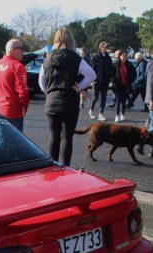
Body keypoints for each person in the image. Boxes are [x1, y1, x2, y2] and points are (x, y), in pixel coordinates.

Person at [39, 28, 96, 166]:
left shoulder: (47, 58)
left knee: (53, 136)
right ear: (71, 41)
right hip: (69, 101)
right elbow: (91, 75)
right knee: (66, 137)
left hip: (51, 102)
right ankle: (65, 168)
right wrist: (80, 86)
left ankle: (51, 167)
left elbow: (41, 81)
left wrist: (50, 93)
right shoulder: (76, 58)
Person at [0, 39, 29, 131]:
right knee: (16, 143)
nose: (23, 51)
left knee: (1, 141)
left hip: (0, 110)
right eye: (21, 49)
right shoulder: (18, 66)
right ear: (13, 50)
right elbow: (22, 92)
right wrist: (24, 107)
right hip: (14, 112)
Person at [89, 41, 113, 121]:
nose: (105, 48)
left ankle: (101, 114)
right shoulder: (95, 57)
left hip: (105, 81)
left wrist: (110, 79)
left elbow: (110, 69)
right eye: (104, 47)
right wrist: (93, 79)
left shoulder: (108, 58)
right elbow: (92, 69)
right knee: (95, 97)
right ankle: (91, 110)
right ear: (100, 48)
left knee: (103, 97)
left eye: (106, 47)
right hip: (97, 80)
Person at [111, 50, 136, 122]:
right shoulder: (115, 64)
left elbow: (134, 74)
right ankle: (117, 116)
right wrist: (113, 80)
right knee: (118, 100)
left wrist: (131, 80)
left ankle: (122, 114)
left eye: (126, 56)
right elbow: (111, 74)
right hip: (117, 85)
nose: (124, 57)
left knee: (124, 101)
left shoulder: (129, 65)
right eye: (123, 56)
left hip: (126, 85)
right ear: (120, 56)